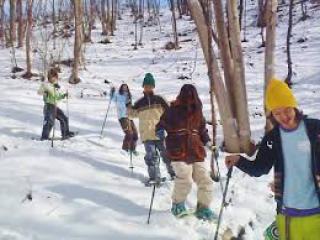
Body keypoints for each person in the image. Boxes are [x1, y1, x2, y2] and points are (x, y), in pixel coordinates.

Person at [225, 78, 320, 239]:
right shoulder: (272, 138)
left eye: (286, 109)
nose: (283, 116)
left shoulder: (315, 128)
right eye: (277, 112)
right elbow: (260, 168)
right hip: (287, 210)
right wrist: (239, 160)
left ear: (294, 106)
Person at [156, 84, 215, 220]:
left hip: (196, 151)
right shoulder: (172, 110)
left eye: (191, 95)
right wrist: (160, 131)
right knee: (185, 179)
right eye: (186, 95)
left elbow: (202, 132)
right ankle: (178, 204)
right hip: (178, 150)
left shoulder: (198, 112)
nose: (189, 98)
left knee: (205, 180)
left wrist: (209, 144)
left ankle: (203, 208)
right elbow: (161, 124)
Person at [128, 73, 175, 183]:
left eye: (150, 85)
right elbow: (131, 115)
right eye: (146, 86)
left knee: (166, 155)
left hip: (160, 133)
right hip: (146, 134)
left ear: (153, 86)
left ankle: (173, 174)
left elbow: (169, 113)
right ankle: (154, 177)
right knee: (151, 156)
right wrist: (128, 106)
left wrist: (167, 126)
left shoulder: (159, 99)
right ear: (143, 87)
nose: (148, 87)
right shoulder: (139, 102)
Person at [38, 68, 75, 140]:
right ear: (49, 78)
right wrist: (45, 90)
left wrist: (64, 95)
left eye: (55, 78)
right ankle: (44, 136)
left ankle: (65, 133)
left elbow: (56, 97)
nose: (54, 79)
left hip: (54, 106)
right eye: (52, 77)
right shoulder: (46, 85)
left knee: (64, 118)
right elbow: (39, 92)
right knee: (49, 122)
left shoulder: (55, 86)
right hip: (48, 107)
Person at [111, 84, 138, 154]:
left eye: (126, 88)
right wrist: (112, 92)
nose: (125, 89)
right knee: (129, 133)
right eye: (123, 87)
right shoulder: (118, 95)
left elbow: (131, 106)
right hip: (122, 116)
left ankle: (132, 149)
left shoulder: (129, 95)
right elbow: (113, 99)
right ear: (121, 88)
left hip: (129, 116)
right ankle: (125, 149)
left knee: (135, 134)